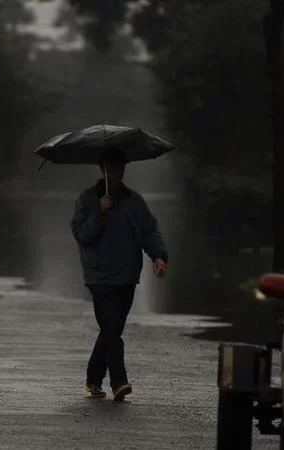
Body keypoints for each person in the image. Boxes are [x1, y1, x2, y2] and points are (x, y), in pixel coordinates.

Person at [70, 149, 168, 401]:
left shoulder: (135, 202)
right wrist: (100, 214)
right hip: (99, 277)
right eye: (113, 166)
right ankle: (119, 382)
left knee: (110, 331)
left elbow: (149, 230)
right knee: (111, 327)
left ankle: (93, 379)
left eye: (121, 166)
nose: (118, 170)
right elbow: (82, 236)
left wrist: (158, 256)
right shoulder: (86, 200)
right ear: (102, 168)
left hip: (127, 277)